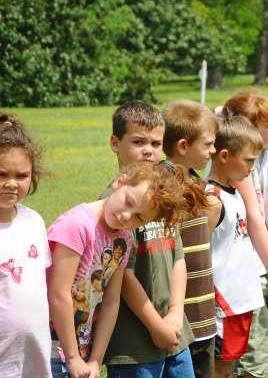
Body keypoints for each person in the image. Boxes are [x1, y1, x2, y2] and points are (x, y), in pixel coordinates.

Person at [48, 162, 199, 378]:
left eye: (139, 217)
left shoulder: (124, 238)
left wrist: (95, 359)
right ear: (119, 183)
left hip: (81, 351)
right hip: (50, 347)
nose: (127, 216)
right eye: (128, 202)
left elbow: (111, 302)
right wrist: (72, 357)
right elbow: (58, 294)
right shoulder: (77, 225)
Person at [104, 101, 207, 377]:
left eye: (155, 143)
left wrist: (175, 313)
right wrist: (155, 326)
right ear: (115, 143)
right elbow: (123, 276)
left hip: (175, 334)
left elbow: (178, 259)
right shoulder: (117, 206)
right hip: (134, 344)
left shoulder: (163, 199)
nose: (148, 151)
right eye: (138, 142)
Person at [220, 88, 268, 378]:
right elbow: (254, 214)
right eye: (267, 124)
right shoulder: (237, 160)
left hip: (262, 267)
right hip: (239, 272)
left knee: (260, 352)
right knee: (244, 361)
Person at [162, 99, 222, 378]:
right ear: (183, 146)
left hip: (204, 315)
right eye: (208, 145)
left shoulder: (198, 185)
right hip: (178, 319)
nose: (213, 151)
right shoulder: (163, 190)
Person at [206, 113, 265, 378]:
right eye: (248, 160)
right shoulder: (211, 200)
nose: (252, 167)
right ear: (225, 155)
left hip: (241, 300)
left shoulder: (235, 193)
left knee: (229, 368)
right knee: (217, 371)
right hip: (223, 303)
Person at [0, 113, 51, 377]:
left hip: (34, 357)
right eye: (1, 174)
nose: (11, 183)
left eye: (21, 175)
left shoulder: (34, 222)